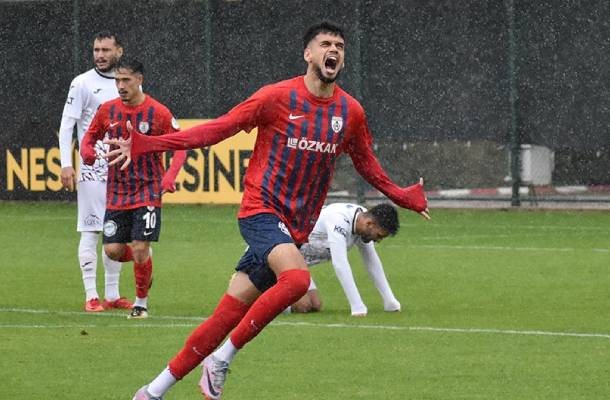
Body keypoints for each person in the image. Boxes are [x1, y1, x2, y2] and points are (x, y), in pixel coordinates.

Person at [108, 22, 429, 400]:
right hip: (260, 210)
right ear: (308, 54)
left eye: (340, 46)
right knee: (296, 281)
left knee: (225, 316)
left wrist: (405, 197)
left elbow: (368, 165)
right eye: (326, 44)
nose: (334, 50)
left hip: (295, 228)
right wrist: (149, 144)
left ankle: (151, 391)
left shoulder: (350, 112)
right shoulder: (276, 97)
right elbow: (218, 129)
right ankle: (221, 359)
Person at [80, 58, 186, 319]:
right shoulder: (107, 110)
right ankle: (144, 259)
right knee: (113, 251)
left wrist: (170, 176)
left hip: (148, 189)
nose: (120, 85)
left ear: (139, 80)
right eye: (117, 80)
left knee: (139, 246)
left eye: (126, 80)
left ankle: (141, 302)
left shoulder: (158, 112)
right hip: (117, 191)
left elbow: (181, 145)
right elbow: (90, 137)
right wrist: (87, 151)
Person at [58, 31, 134, 312]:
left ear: (119, 51)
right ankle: (91, 295)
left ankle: (112, 294)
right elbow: (67, 124)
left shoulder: (126, 83)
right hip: (92, 171)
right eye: (96, 50)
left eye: (105, 50)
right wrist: (66, 163)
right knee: (91, 230)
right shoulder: (82, 83)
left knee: (116, 233)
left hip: (121, 172)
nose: (100, 55)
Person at [290, 202, 402, 317]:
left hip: (298, 263)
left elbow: (372, 261)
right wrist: (357, 306)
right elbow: (340, 264)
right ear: (369, 224)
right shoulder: (338, 220)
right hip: (283, 256)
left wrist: (390, 301)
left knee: (315, 305)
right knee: (303, 305)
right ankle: (275, 291)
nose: (378, 240)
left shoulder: (363, 219)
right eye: (379, 236)